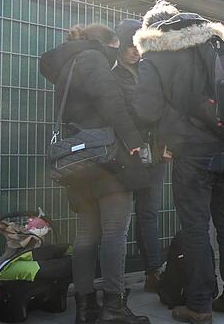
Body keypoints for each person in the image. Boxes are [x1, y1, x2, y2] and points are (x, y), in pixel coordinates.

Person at [132, 1, 224, 322]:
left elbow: (146, 110)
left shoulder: (156, 55)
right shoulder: (221, 46)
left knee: (196, 228)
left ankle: (199, 304)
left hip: (193, 152)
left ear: (154, 29)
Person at [39, 24, 149, 324]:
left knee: (86, 234)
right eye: (115, 49)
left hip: (77, 163)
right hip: (105, 161)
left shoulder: (68, 65)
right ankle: (114, 308)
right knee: (114, 232)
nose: (117, 56)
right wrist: (136, 142)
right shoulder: (93, 59)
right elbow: (112, 104)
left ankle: (86, 308)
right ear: (107, 46)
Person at [113, 19, 166, 292]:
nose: (135, 50)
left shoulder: (147, 72)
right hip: (126, 153)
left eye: (138, 45)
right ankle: (115, 281)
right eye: (129, 45)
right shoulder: (113, 74)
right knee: (119, 218)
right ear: (119, 45)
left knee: (148, 213)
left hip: (154, 152)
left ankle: (153, 271)